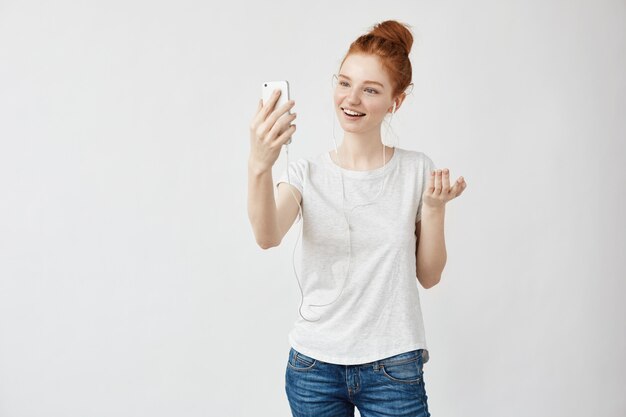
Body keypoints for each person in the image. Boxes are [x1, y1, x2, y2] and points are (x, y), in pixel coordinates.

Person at [248, 20, 467, 417]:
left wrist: (434, 210)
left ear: (395, 102)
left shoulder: (416, 171)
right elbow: (267, 235)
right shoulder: (305, 174)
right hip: (314, 368)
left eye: (371, 90)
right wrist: (259, 168)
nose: (352, 99)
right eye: (345, 83)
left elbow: (430, 276)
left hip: (394, 366)